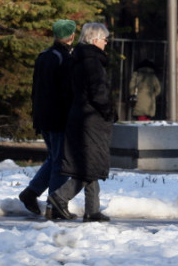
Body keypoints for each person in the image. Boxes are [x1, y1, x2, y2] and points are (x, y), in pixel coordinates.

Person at [47, 22, 114, 221]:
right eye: (104, 39)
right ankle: (60, 196)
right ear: (95, 40)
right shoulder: (91, 61)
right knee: (89, 166)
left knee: (91, 164)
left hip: (81, 116)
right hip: (91, 119)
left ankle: (92, 210)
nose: (106, 42)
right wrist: (108, 111)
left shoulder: (78, 58)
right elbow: (97, 92)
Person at [18, 19, 76, 216]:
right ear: (72, 36)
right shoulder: (65, 59)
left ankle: (31, 192)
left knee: (54, 158)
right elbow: (66, 91)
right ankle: (55, 203)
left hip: (43, 115)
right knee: (61, 161)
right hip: (58, 117)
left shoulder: (44, 56)